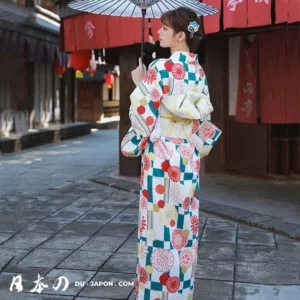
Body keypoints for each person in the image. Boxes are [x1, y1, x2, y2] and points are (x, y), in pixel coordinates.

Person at [121, 6, 222, 300]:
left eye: (165, 28)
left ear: (180, 35)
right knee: (184, 224)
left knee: (157, 223)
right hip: (187, 157)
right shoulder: (198, 71)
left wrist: (140, 82)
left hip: (161, 158)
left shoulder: (159, 68)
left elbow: (144, 112)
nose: (159, 31)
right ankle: (181, 290)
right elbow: (201, 120)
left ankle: (155, 292)